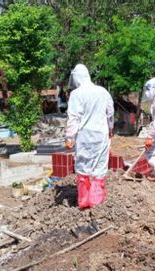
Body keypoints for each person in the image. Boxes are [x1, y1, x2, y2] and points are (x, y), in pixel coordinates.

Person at [64, 64, 114, 209]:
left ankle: (84, 201)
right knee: (99, 166)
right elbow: (110, 113)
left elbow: (74, 117)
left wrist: (69, 137)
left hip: (84, 136)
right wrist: (111, 129)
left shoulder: (76, 94)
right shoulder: (102, 92)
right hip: (101, 135)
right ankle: (96, 202)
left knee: (82, 168)